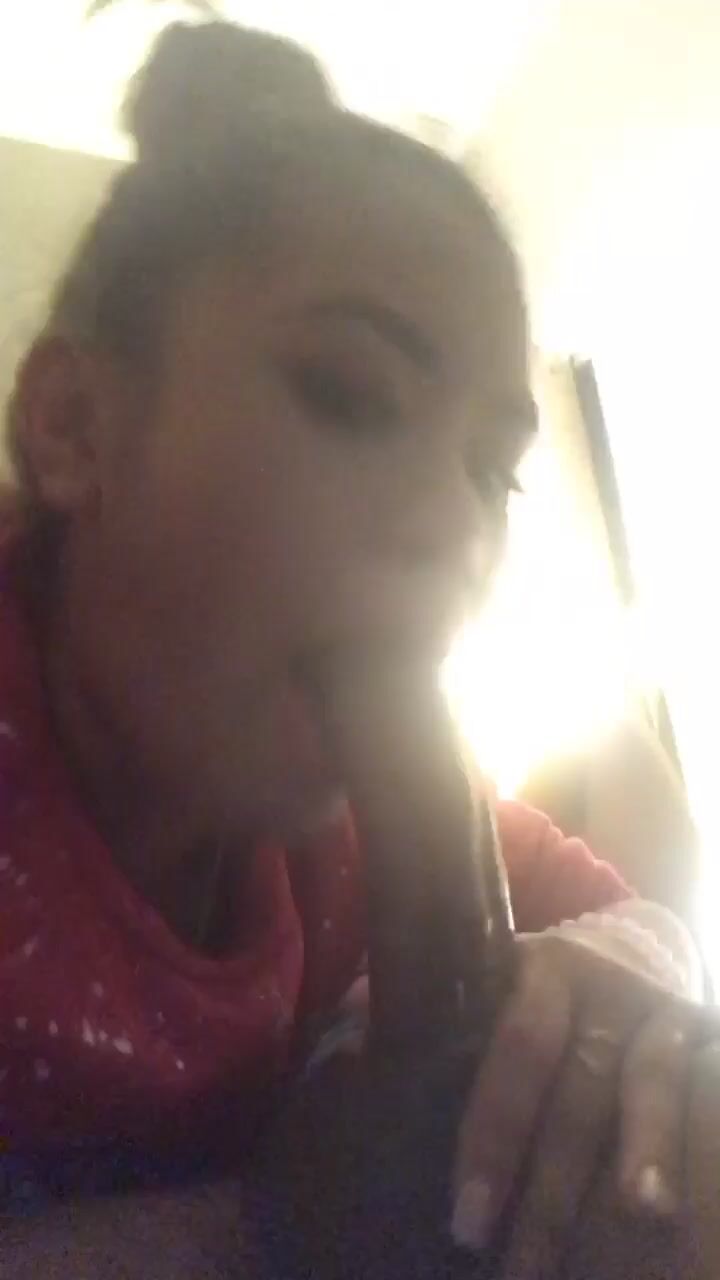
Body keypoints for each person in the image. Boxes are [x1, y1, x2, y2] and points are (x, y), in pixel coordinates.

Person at [0, 19, 716, 1279]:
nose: (456, 529)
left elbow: (636, 908)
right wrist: (263, 1220)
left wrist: (609, 996)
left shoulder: (330, 818)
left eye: (494, 471)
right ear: (74, 427)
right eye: (349, 392)